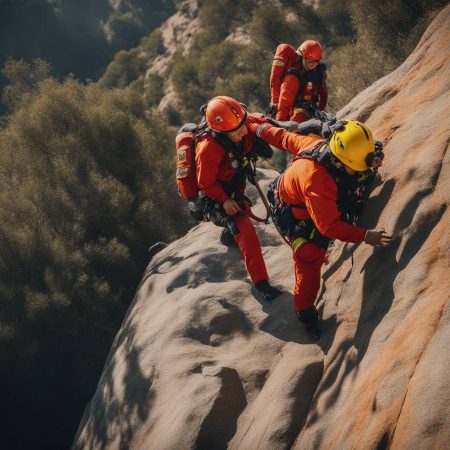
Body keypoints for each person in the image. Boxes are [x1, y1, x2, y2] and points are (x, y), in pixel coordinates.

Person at [248, 119, 393, 338]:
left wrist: (252, 125)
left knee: (357, 179)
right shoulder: (315, 180)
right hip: (293, 217)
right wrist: (364, 235)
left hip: (308, 196)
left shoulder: (314, 145)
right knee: (310, 258)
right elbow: (329, 227)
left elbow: (282, 137)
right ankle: (305, 314)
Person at [192, 95, 282, 301]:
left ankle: (228, 234)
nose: (244, 130)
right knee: (245, 229)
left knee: (239, 224)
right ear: (221, 131)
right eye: (238, 129)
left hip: (235, 185)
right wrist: (224, 200)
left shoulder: (239, 123)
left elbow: (265, 126)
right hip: (216, 197)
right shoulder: (208, 148)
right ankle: (262, 284)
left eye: (244, 124)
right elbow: (205, 183)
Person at [267, 40, 328, 123]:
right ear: (302, 57)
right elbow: (275, 79)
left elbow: (324, 95)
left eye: (316, 62)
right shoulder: (292, 75)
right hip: (283, 107)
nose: (313, 65)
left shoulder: (317, 73)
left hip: (305, 110)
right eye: (310, 62)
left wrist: (320, 112)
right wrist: (275, 104)